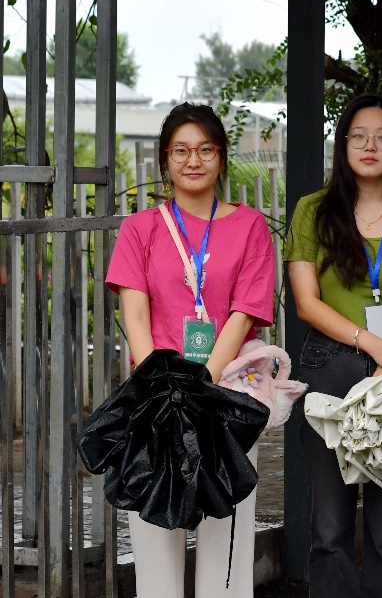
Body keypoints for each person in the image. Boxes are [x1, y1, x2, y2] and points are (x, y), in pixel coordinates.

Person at [106, 102, 276, 598]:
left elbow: (244, 312)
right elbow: (136, 316)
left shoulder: (250, 226)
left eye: (205, 149)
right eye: (180, 151)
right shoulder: (140, 228)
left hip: (227, 397)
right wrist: (162, 387)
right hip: (155, 400)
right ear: (165, 160)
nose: (193, 160)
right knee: (156, 540)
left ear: (221, 157)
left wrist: (201, 385)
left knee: (226, 549)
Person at [284, 93, 382, 598]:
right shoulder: (313, 211)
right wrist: (373, 344)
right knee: (330, 527)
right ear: (343, 144)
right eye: (358, 136)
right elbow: (306, 303)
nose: (369, 145)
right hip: (329, 366)